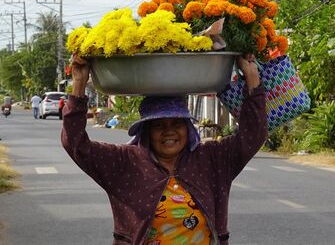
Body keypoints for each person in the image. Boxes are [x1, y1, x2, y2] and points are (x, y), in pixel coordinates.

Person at [61, 54, 266, 245]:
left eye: (177, 124)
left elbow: (253, 135)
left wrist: (252, 78)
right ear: (146, 131)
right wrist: (79, 84)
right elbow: (75, 143)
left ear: (188, 128)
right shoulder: (124, 162)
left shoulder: (211, 159)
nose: (169, 132)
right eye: (159, 125)